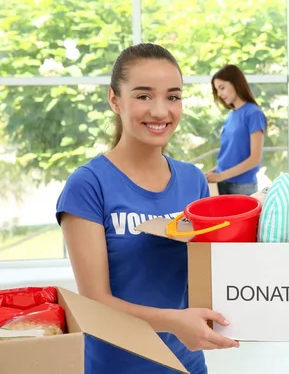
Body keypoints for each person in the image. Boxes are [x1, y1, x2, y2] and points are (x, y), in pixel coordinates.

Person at [56, 43, 239, 374]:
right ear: (115, 100)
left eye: (172, 96)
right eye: (143, 96)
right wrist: (175, 322)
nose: (160, 111)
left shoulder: (192, 181)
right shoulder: (88, 184)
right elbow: (96, 302)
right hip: (116, 366)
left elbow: (207, 278)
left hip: (187, 364)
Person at [206, 64, 267, 196]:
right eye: (217, 90)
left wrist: (221, 175)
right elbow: (231, 155)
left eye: (222, 88)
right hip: (223, 184)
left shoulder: (254, 114)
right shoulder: (231, 116)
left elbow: (255, 159)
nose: (220, 94)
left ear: (235, 83)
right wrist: (215, 172)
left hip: (242, 187)